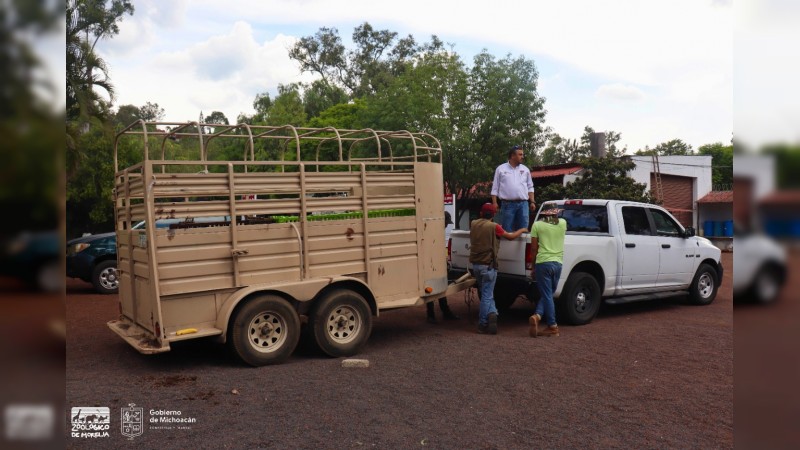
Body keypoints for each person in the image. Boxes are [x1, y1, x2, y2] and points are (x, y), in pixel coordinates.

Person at [470, 203, 527, 334]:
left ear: (481, 213)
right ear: (494, 215)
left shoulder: (473, 223)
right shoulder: (495, 227)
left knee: (486, 293)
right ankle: (482, 323)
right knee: (487, 295)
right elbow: (511, 237)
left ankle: (493, 313)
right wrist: (522, 230)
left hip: (476, 265)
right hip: (489, 266)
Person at [528, 205, 567, 337]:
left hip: (543, 263)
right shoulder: (563, 223)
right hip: (558, 263)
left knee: (547, 294)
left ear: (544, 214)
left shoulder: (537, 226)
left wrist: (533, 266)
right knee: (549, 293)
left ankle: (552, 325)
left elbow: (533, 249)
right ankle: (537, 316)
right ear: (556, 213)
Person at [491, 145, 535, 232]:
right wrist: (495, 203)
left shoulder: (525, 169)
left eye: (522, 154)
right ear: (512, 156)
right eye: (520, 154)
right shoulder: (500, 169)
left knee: (523, 230)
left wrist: (532, 201)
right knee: (506, 231)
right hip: (507, 205)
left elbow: (530, 187)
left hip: (523, 205)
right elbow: (495, 187)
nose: (522, 157)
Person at [427, 211, 460, 323]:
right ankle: (431, 315)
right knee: (430, 290)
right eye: (446, 222)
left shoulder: (438, 232)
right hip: (430, 264)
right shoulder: (431, 232)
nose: (447, 225)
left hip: (438, 263)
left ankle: (445, 311)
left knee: (441, 289)